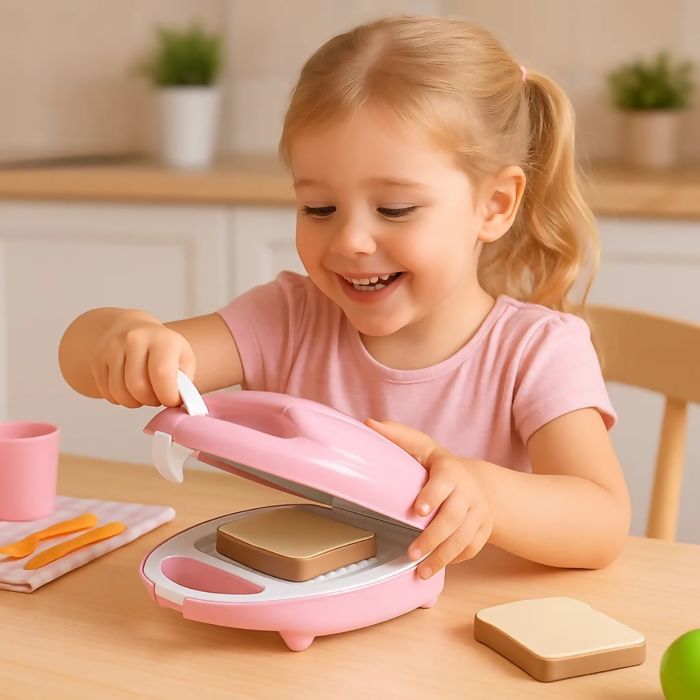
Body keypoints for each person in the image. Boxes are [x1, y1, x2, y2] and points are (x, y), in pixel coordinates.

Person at [59, 16, 631, 579]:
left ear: (495, 205)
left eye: (395, 209)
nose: (351, 241)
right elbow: (80, 362)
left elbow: (603, 523)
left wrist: (486, 492)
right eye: (319, 208)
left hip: (472, 625)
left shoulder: (537, 352)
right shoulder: (288, 319)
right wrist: (124, 334)